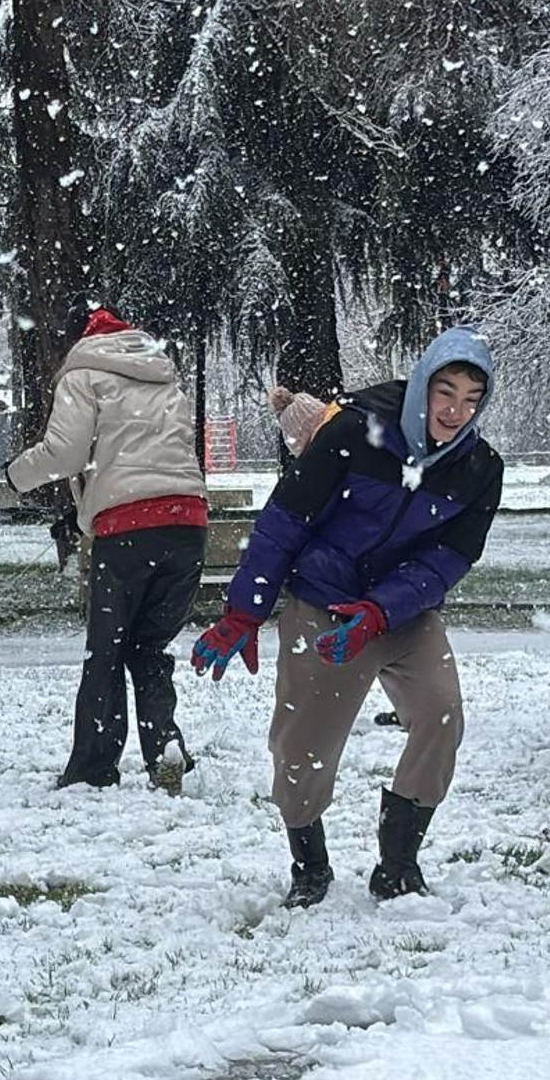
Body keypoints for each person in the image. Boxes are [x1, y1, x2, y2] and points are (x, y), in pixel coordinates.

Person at [191, 330, 502, 905]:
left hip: (403, 614)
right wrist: (243, 613)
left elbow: (450, 557)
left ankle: (398, 863)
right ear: (422, 387)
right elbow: (283, 524)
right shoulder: (355, 433)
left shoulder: (479, 468)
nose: (455, 411)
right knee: (302, 747)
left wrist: (382, 609)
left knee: (441, 716)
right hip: (324, 606)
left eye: (471, 399)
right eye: (445, 393)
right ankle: (310, 866)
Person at [6, 299, 208, 792]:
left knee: (107, 650)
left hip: (128, 529)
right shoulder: (164, 376)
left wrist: (15, 477)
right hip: (188, 522)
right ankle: (165, 747)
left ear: (80, 336)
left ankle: (93, 767)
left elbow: (64, 453)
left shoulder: (83, 374)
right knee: (150, 647)